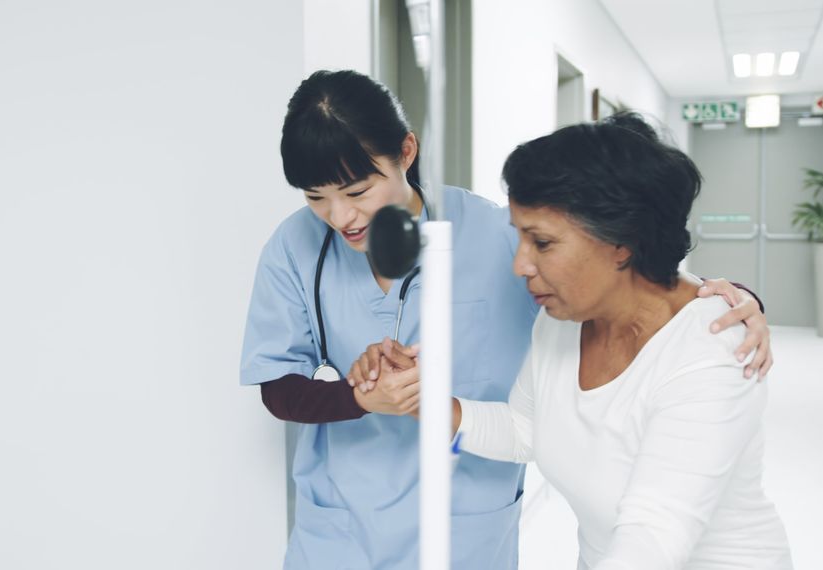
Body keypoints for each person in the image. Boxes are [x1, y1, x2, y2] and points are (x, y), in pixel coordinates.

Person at [240, 70, 772, 569]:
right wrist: (369, 396)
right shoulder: (296, 248)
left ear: (406, 151)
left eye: (357, 192)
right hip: (344, 524)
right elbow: (276, 382)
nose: (340, 217)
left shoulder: (496, 235)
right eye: (316, 198)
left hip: (467, 517)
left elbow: (638, 283)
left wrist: (728, 297)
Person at [401, 113, 791, 568]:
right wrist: (418, 399)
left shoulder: (715, 349)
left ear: (621, 243)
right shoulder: (564, 318)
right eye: (520, 239)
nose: (520, 265)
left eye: (542, 243)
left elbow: (653, 532)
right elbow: (526, 429)